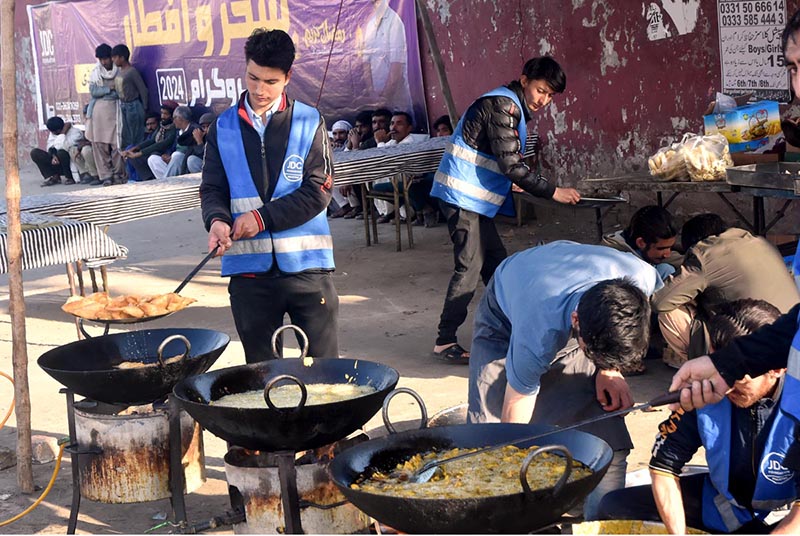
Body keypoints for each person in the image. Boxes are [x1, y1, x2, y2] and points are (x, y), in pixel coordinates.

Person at [467, 241, 658, 519]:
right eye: (592, 354)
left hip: (573, 288)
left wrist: (609, 370)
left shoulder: (643, 278)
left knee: (609, 442)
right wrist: (512, 467)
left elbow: (609, 332)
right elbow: (516, 407)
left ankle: (598, 525)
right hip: (507, 309)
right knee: (489, 443)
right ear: (575, 320)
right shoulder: (539, 329)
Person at [599, 299, 799, 534]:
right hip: (722, 506)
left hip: (786, 516)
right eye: (721, 371)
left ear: (777, 367)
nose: (725, 388)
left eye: (739, 379)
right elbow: (664, 466)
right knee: (613, 506)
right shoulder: (704, 391)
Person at [429, 56, 581, 363]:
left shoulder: (509, 106)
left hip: (472, 199)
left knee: (498, 266)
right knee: (470, 267)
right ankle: (445, 341)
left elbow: (495, 157)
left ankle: (510, 327)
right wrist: (554, 192)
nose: (544, 100)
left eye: (550, 95)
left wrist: (512, 180)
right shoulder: (503, 106)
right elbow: (512, 165)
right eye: (541, 91)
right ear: (524, 81)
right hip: (462, 196)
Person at [200, 28, 338, 363]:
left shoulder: (309, 120)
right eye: (253, 78)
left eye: (271, 82)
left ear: (288, 77)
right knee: (262, 378)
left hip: (308, 270)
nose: (260, 90)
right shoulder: (224, 127)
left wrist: (261, 218)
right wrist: (217, 221)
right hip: (249, 276)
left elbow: (318, 191)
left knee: (326, 375)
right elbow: (212, 187)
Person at [654, 213, 799, 367]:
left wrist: (692, 299)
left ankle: (700, 365)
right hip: (792, 339)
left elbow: (659, 302)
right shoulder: (762, 243)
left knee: (670, 312)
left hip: (749, 348)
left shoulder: (704, 256)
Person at [601, 205, 681, 281]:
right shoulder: (614, 260)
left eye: (670, 247)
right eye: (661, 248)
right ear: (641, 243)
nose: (667, 254)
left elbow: (675, 259)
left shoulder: (643, 248)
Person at [86, 43, 124, 187]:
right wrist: (109, 89)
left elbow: (120, 93)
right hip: (98, 115)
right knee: (99, 146)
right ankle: (106, 176)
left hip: (115, 113)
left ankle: (118, 174)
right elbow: (94, 92)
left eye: (106, 59)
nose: (104, 62)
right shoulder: (96, 73)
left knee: (117, 145)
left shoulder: (120, 71)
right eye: (101, 59)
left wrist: (106, 91)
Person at [121, 102, 178, 184]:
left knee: (149, 156)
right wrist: (135, 148)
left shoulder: (174, 128)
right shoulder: (162, 126)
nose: (163, 116)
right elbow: (152, 140)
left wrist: (140, 153)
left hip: (165, 154)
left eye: (166, 114)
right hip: (158, 152)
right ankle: (141, 180)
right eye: (162, 113)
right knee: (132, 152)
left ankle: (150, 181)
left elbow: (161, 144)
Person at [111, 44, 148, 150]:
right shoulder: (120, 71)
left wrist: (144, 108)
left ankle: (136, 161)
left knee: (136, 137)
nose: (113, 60)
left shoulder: (132, 71)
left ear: (122, 58)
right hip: (124, 106)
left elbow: (143, 90)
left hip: (134, 106)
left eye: (115, 57)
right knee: (126, 137)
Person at [147, 105, 198, 179]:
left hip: (185, 162)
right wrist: (168, 156)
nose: (173, 121)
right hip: (174, 162)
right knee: (152, 159)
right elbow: (172, 147)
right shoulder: (178, 131)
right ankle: (168, 180)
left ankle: (166, 182)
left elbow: (193, 151)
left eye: (174, 118)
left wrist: (173, 157)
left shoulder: (193, 130)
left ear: (181, 119)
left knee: (177, 155)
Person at [31, 116, 84, 186]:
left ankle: (69, 177)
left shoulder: (75, 133)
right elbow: (50, 146)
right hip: (56, 161)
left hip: (69, 163)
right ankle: (54, 176)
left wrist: (62, 133)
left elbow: (63, 146)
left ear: (58, 130)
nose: (52, 133)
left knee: (62, 153)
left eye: (53, 132)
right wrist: (53, 156)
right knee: (35, 152)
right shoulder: (54, 133)